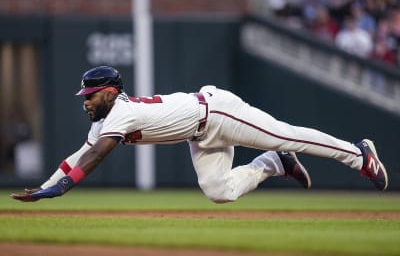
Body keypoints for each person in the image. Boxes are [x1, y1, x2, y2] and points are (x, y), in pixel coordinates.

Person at [11, 66, 388, 203]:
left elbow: (94, 158)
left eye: (90, 95)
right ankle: (272, 165)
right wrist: (46, 184)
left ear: (109, 92)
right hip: (200, 134)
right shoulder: (105, 119)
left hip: (219, 113)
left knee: (287, 134)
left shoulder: (120, 113)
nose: (86, 101)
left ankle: (358, 154)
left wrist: (60, 189)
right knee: (218, 192)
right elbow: (78, 157)